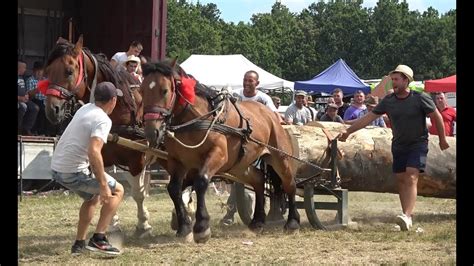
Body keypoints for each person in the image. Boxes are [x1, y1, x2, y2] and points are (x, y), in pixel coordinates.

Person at [338, 65, 449, 231]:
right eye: (392, 79)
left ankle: (407, 216)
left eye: (396, 79)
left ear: (406, 80)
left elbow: (437, 117)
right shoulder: (388, 101)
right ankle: (406, 216)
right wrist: (348, 132)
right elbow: (368, 118)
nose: (393, 83)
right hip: (398, 144)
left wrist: (442, 139)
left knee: (411, 176)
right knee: (401, 179)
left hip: (417, 143)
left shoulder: (420, 98)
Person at [51, 82, 125, 255]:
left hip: (57, 167)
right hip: (73, 171)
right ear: (113, 100)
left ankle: (78, 245)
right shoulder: (103, 119)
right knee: (117, 191)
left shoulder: (85, 109)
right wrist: (103, 185)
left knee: (92, 197)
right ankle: (99, 238)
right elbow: (94, 152)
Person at [221, 70, 279, 225]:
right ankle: (231, 213)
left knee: (238, 178)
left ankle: (230, 214)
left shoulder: (263, 99)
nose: (247, 83)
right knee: (236, 177)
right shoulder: (236, 96)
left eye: (250, 81)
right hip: (239, 141)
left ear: (257, 83)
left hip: (258, 143)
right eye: (245, 80)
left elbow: (274, 118)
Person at [18, 60, 39, 135]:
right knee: (22, 107)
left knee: (35, 108)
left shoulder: (21, 77)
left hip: (23, 99)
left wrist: (26, 95)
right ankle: (19, 129)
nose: (25, 70)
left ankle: (26, 129)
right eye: (24, 68)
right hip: (19, 100)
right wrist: (20, 98)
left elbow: (23, 89)